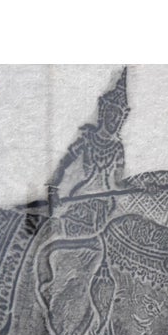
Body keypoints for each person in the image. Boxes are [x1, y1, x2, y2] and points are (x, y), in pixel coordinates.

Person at [47, 67, 129, 237]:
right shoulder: (87, 139)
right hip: (81, 199)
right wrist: (53, 190)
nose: (114, 119)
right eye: (112, 112)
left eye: (119, 115)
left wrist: (144, 187)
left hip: (104, 205)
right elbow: (63, 164)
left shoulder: (117, 148)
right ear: (103, 111)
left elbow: (119, 182)